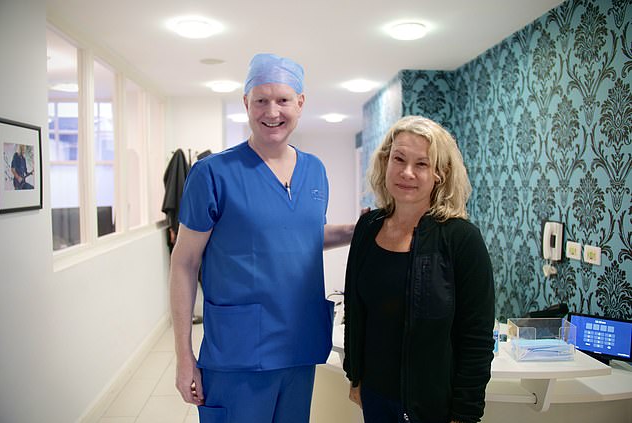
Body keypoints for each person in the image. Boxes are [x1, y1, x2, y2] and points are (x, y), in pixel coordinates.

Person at [169, 53, 354, 423]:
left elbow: (300, 237)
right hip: (238, 353)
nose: (272, 111)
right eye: (261, 100)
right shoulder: (212, 174)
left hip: (298, 346)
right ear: (246, 104)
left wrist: (357, 230)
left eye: (283, 100)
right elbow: (184, 263)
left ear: (300, 103)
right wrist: (184, 355)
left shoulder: (314, 171)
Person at [343, 115, 495, 423]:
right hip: (375, 397)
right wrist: (356, 376)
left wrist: (465, 415)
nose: (407, 173)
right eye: (398, 159)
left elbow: (476, 338)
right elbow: (356, 310)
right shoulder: (367, 228)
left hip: (433, 406)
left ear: (440, 173)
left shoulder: (461, 239)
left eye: (422, 164)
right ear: (385, 161)